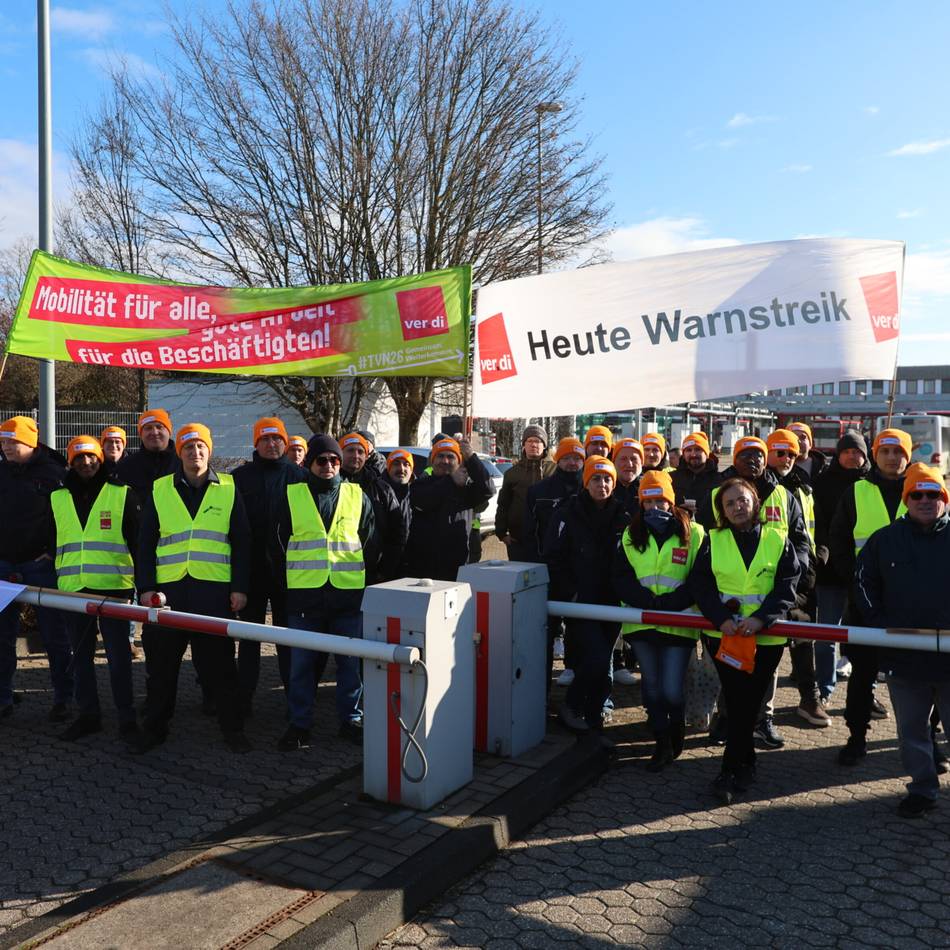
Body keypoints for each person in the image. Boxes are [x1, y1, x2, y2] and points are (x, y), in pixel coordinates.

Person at [134, 423, 252, 753]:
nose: (195, 452)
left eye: (201, 446)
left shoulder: (228, 487)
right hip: (168, 594)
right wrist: (146, 587)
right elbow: (146, 543)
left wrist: (239, 587)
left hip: (213, 592)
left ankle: (232, 730)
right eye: (188, 447)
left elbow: (242, 542)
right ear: (179, 452)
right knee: (161, 668)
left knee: (222, 667)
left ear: (209, 451)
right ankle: (154, 729)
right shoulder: (161, 489)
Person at [689, 478, 800, 803]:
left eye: (743, 500)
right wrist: (719, 618)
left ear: (755, 502)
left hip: (765, 640)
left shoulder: (778, 539)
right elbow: (700, 585)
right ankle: (738, 766)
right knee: (739, 703)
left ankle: (735, 767)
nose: (737, 507)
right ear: (722, 511)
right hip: (723, 637)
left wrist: (761, 619)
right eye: (730, 503)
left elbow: (788, 586)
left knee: (747, 704)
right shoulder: (713, 540)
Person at [699, 435, 811, 749]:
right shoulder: (715, 495)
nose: (754, 460)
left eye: (759, 455)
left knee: (764, 677)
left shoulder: (783, 494)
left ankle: (764, 720)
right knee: (729, 673)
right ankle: (727, 719)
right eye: (746, 455)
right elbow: (705, 548)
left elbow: (800, 540)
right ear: (734, 459)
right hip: (727, 619)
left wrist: (797, 579)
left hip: (771, 609)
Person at [854, 463, 950, 817]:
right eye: (917, 494)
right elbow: (863, 581)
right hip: (905, 658)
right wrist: (880, 624)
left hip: (949, 659)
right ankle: (923, 790)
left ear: (944, 498)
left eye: (933, 494)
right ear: (907, 499)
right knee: (912, 732)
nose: (925, 500)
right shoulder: (885, 539)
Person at [271, 435, 376, 749]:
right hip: (305, 596)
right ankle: (299, 724)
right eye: (322, 460)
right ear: (309, 463)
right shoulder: (291, 495)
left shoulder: (357, 495)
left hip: (347, 595)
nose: (328, 465)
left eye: (334, 460)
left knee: (350, 665)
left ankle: (351, 720)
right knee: (302, 666)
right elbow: (277, 542)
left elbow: (369, 540)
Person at [613, 470, 705, 770]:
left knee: (671, 690)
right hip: (642, 623)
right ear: (641, 503)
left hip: (680, 623)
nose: (654, 507)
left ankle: (676, 728)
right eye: (648, 502)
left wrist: (670, 603)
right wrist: (648, 602)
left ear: (671, 501)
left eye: (660, 500)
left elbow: (700, 578)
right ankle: (662, 742)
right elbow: (622, 577)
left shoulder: (695, 533)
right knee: (651, 688)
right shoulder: (630, 534)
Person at [830, 427, 911, 765]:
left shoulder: (922, 489)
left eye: (898, 451)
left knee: (921, 679)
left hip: (913, 606)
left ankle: (924, 742)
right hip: (865, 603)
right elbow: (839, 542)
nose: (892, 458)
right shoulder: (856, 492)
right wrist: (857, 585)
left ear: (908, 456)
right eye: (885, 451)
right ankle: (856, 737)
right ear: (875, 455)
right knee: (862, 676)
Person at [49, 436, 139, 740]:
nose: (86, 463)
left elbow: (137, 541)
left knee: (119, 658)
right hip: (73, 588)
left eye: (91, 457)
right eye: (79, 458)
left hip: (114, 588)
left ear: (100, 459)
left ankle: (127, 718)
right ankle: (89, 716)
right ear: (70, 462)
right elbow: (50, 537)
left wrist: (143, 587)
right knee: (81, 658)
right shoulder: (57, 497)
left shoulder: (122, 493)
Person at [545, 456, 628, 735]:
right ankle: (570, 706)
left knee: (604, 660)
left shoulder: (624, 515)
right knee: (596, 658)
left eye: (607, 479)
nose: (602, 484)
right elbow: (553, 557)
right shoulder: (567, 513)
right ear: (585, 482)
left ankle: (593, 716)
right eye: (596, 478)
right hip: (581, 603)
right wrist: (572, 594)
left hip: (612, 602)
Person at [0, 415, 73, 721]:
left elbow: (68, 518)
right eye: (3, 442)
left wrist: (53, 552)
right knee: (2, 636)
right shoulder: (2, 472)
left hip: (40, 566)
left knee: (55, 635)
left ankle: (64, 697)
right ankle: (3, 697)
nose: (6, 447)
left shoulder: (55, 473)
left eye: (13, 442)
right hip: (4, 565)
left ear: (30, 442)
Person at [231, 417, 303, 710]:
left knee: (288, 640)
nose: (272, 444)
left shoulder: (300, 477)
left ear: (285, 443)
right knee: (249, 639)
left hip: (289, 575)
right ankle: (243, 699)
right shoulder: (239, 478)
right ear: (256, 443)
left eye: (277, 439)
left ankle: (294, 701)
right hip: (252, 573)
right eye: (265, 439)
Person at [765, 429, 826, 728]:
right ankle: (759, 711)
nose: (786, 458)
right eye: (780, 452)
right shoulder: (757, 485)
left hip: (802, 577)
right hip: (767, 578)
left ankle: (809, 698)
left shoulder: (803, 486)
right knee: (767, 647)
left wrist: (817, 557)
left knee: (804, 641)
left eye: (791, 453)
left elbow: (813, 529)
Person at [812, 431, 871, 700]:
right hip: (830, 572)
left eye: (857, 451)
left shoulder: (873, 484)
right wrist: (826, 555)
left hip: (866, 575)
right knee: (826, 634)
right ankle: (825, 687)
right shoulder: (823, 483)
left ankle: (866, 691)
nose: (852, 456)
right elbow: (819, 523)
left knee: (865, 637)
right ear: (838, 454)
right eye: (846, 451)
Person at [525, 437, 586, 689]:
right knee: (545, 634)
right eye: (567, 458)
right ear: (557, 460)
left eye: (577, 458)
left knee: (579, 632)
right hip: (546, 574)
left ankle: (576, 687)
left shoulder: (590, 489)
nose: (572, 463)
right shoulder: (538, 492)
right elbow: (529, 534)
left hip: (580, 575)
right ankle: (541, 692)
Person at [404, 436, 494, 581]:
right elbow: (425, 499)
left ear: (458, 461)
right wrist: (451, 480)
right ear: (432, 460)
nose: (445, 461)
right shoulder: (420, 485)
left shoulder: (466, 490)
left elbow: (488, 489)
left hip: (458, 567)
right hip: (424, 568)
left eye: (451, 457)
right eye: (440, 456)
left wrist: (471, 458)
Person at [339, 431, 408, 582]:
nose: (356, 455)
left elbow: (398, 532)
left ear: (366, 456)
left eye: (360, 451)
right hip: (337, 573)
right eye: (350, 450)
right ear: (340, 453)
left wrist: (385, 570)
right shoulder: (331, 487)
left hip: (373, 573)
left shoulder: (382, 489)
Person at [496, 424, 555, 562]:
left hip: (548, 540)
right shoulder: (512, 473)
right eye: (530, 441)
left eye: (538, 441)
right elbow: (503, 504)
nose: (534, 444)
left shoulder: (555, 471)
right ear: (524, 444)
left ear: (544, 445)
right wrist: (501, 533)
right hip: (517, 541)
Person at [116, 409, 178, 503]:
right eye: (148, 428)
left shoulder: (184, 463)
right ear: (140, 434)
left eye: (159, 427)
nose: (154, 432)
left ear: (169, 431)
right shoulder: (125, 466)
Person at [671, 431, 721, 515]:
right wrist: (678, 511)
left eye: (698, 449)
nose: (693, 454)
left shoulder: (720, 480)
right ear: (683, 454)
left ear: (706, 454)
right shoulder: (671, 478)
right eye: (688, 450)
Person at [611, 438, 644, 516]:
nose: (629, 464)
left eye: (634, 459)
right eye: (623, 459)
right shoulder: (604, 488)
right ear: (614, 462)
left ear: (642, 463)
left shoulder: (648, 487)